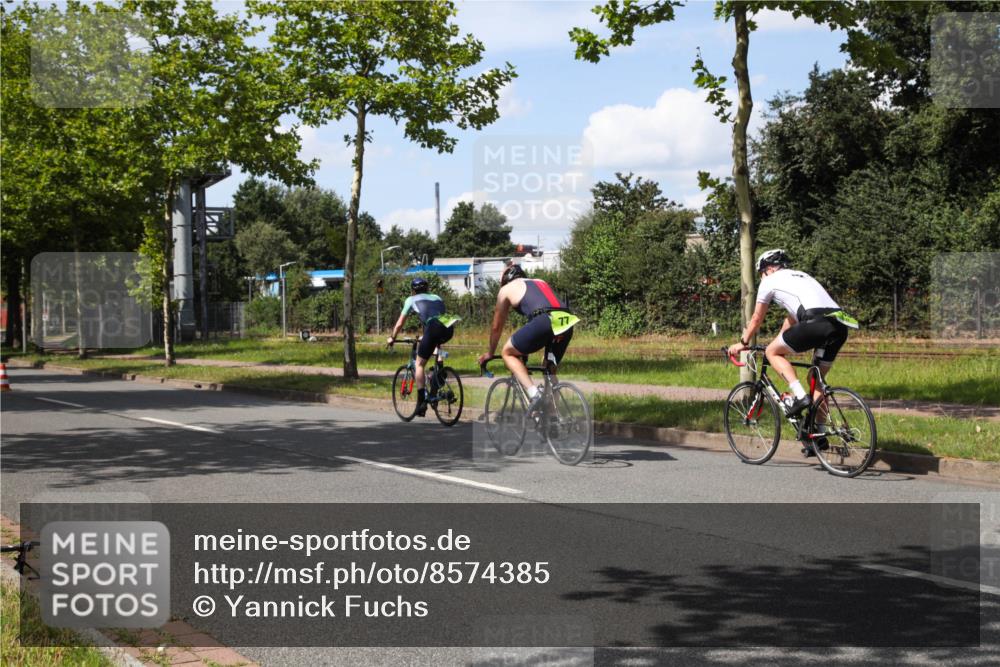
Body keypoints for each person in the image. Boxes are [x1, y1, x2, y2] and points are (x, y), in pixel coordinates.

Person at [727, 249, 858, 455]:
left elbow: (756, 318)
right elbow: (791, 318)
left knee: (771, 353)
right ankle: (820, 435)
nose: (761, 277)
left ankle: (799, 396)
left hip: (815, 322)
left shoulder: (769, 281)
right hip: (838, 325)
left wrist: (743, 343)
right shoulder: (802, 276)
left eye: (761, 273)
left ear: (768, 269)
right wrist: (778, 342)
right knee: (816, 379)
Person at [477, 263, 578, 413]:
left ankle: (534, 394)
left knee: (507, 352)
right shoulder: (539, 281)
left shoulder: (506, 289)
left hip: (544, 319)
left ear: (505, 280)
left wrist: (490, 353)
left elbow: (496, 327)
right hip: (567, 320)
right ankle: (553, 417)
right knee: (549, 370)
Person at [387, 277, 458, 416]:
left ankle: (422, 402)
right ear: (427, 289)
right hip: (448, 327)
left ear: (413, 290)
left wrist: (392, 337)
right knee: (437, 345)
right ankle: (438, 375)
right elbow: (436, 317)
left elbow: (400, 323)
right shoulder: (436, 297)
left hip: (433, 328)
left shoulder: (410, 300)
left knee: (419, 364)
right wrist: (425, 336)